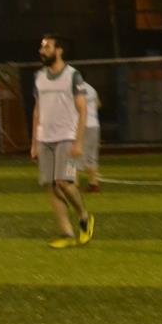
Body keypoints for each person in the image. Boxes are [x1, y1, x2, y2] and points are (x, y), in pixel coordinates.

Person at [30, 34, 95, 248]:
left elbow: (82, 110)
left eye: (47, 47)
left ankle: (84, 216)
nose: (42, 51)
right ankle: (66, 233)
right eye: (42, 47)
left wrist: (79, 142)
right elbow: (37, 110)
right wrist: (34, 142)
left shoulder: (73, 76)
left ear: (59, 51)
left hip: (67, 136)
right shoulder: (38, 76)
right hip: (45, 139)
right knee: (50, 186)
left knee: (64, 182)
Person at [77, 80, 102, 192]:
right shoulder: (92, 89)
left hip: (82, 125)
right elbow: (98, 104)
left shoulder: (74, 89)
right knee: (92, 156)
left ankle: (73, 185)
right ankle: (93, 184)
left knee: (75, 155)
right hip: (94, 124)